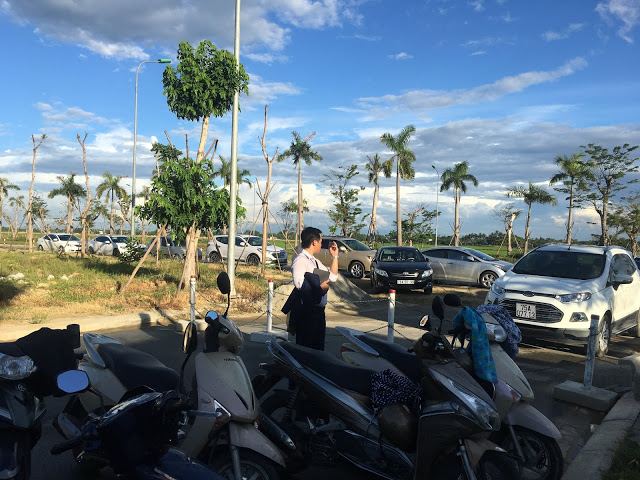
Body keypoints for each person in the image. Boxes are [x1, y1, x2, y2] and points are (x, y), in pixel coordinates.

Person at [289, 227, 339, 350]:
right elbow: (299, 285)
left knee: (318, 352)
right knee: (306, 352)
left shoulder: (315, 261)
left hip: (318, 314)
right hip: (307, 314)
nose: (322, 244)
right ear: (314, 242)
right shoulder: (300, 260)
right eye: (321, 241)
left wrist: (334, 257)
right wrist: (320, 289)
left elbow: (332, 277)